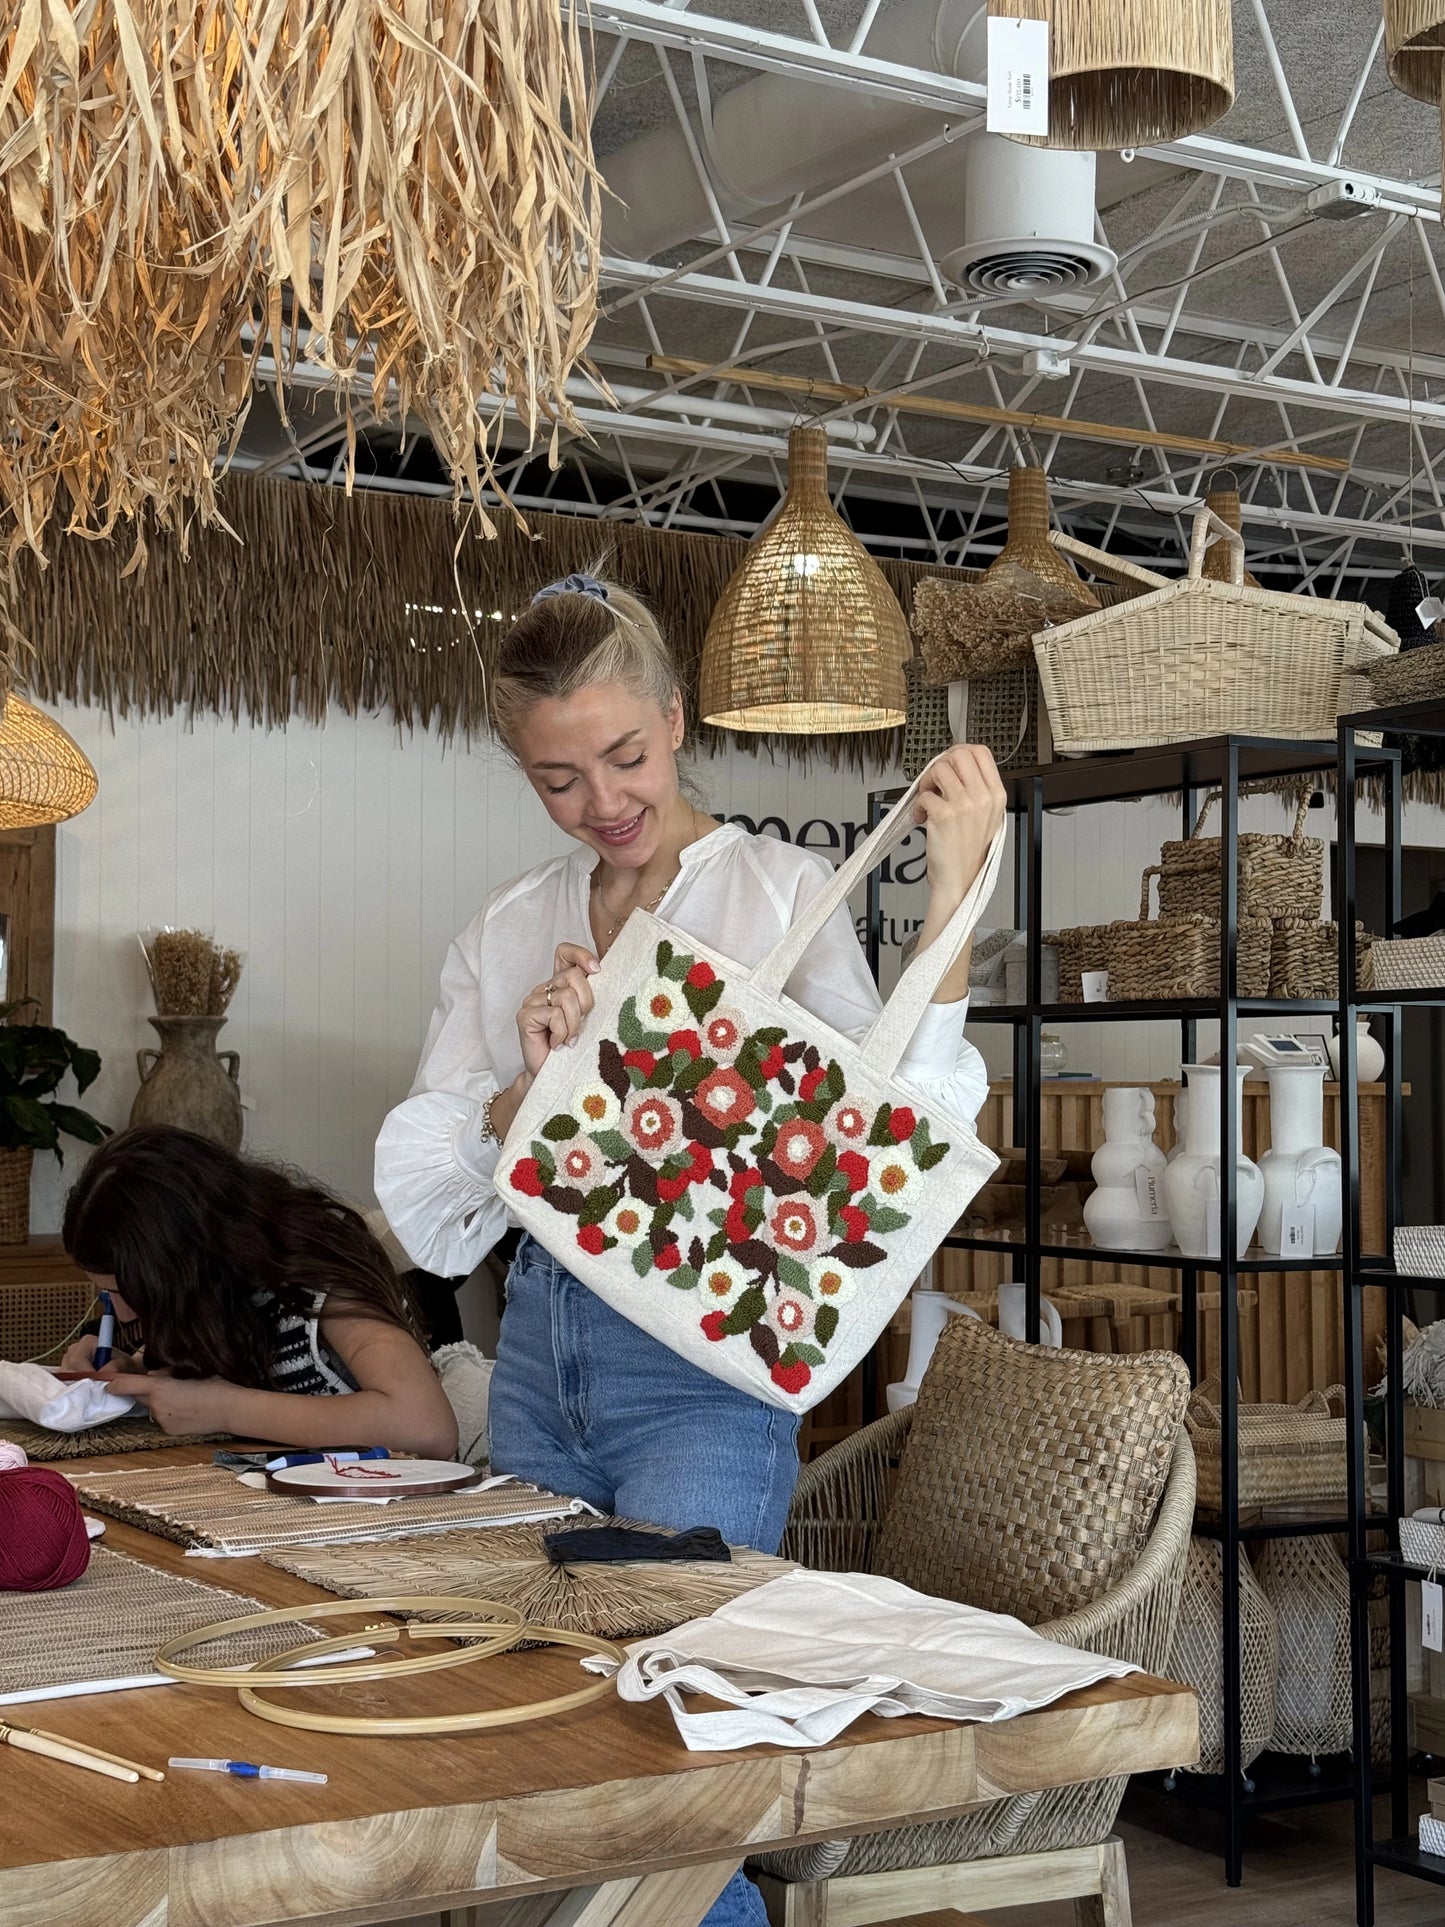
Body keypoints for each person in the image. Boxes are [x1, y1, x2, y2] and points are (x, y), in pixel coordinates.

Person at [376, 571, 1003, 1927]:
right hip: (539, 1349)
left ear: (673, 716)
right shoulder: (505, 926)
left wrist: (956, 888)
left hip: (706, 1369)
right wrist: (531, 1080)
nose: (600, 798)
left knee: (683, 1734)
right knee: (556, 1720)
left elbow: (885, 1122)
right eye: (556, 776)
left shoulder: (776, 892)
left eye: (625, 754)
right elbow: (435, 1193)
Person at [60, 1125, 458, 1456]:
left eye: (124, 1290)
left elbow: (426, 1427)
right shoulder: (219, 1287)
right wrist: (137, 1371)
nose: (122, 1314)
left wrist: (224, 1409)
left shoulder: (319, 1271)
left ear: (183, 1265)